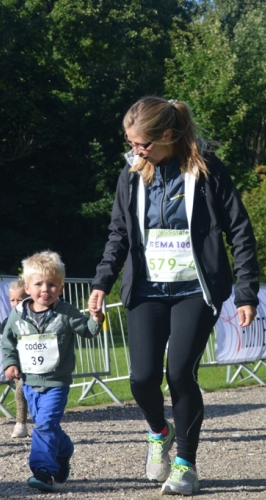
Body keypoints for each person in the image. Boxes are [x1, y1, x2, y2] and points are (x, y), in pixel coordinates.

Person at [88, 97, 259, 496]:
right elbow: (119, 234)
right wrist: (101, 282)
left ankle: (185, 464)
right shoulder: (131, 174)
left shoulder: (207, 170)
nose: (136, 151)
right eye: (131, 143)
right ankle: (158, 431)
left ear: (167, 134)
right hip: (146, 289)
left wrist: (246, 291)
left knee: (180, 373)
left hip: (195, 291)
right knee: (141, 378)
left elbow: (240, 231)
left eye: (143, 144)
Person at [1, 250, 103, 492]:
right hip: (29, 382)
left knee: (45, 425)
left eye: (52, 285)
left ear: (61, 288)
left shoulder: (66, 312)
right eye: (39, 284)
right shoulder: (17, 315)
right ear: (27, 287)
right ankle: (64, 449)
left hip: (57, 383)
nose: (45, 289)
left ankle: (43, 471)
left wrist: (96, 318)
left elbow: (87, 330)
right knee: (46, 425)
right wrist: (10, 363)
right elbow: (8, 342)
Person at [0, 278, 30, 438]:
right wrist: (10, 363)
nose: (16, 303)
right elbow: (6, 342)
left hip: (39, 363)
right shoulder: (10, 320)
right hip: (20, 364)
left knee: (36, 396)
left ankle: (44, 421)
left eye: (20, 299)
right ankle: (21, 424)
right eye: (12, 300)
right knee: (20, 392)